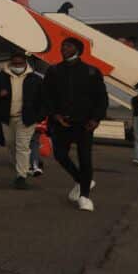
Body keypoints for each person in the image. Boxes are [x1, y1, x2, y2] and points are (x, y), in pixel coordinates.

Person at [42, 37, 108, 212]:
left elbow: (101, 98)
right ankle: (81, 179)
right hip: (61, 122)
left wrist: (96, 119)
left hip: (84, 124)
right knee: (60, 155)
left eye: (68, 46)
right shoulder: (54, 71)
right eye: (62, 46)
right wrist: (54, 115)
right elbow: (46, 96)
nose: (63, 48)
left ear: (77, 50)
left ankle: (84, 196)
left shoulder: (91, 72)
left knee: (85, 159)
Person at [0, 52, 43, 189]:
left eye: (20, 63)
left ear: (25, 62)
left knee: (23, 146)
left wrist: (39, 116)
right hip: (7, 118)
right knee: (10, 144)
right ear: (11, 62)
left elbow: (43, 98)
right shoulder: (0, 77)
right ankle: (19, 168)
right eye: (15, 63)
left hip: (26, 119)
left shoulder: (35, 79)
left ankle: (21, 176)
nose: (17, 66)